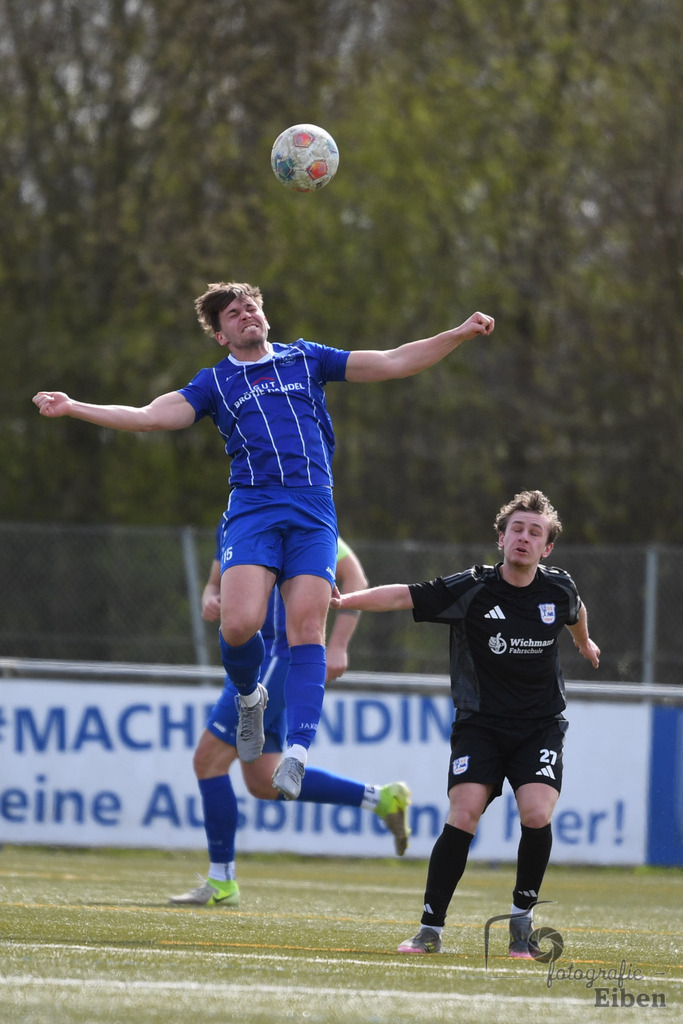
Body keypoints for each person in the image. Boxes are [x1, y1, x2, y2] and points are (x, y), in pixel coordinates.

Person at [33, 282, 494, 800]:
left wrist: (457, 334)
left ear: (265, 316)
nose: (246, 314)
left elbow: (392, 361)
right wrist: (74, 406)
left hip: (314, 509)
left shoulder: (306, 358)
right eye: (233, 313)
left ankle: (297, 752)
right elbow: (148, 417)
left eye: (251, 306)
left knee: (307, 630)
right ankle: (250, 696)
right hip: (254, 508)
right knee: (238, 625)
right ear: (221, 334)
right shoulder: (214, 383)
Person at [330, 489, 600, 957]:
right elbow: (403, 595)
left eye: (535, 532)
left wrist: (584, 641)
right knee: (464, 813)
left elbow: (575, 612)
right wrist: (344, 600)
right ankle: (429, 929)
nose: (524, 537)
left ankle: (521, 921)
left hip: (539, 726)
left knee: (537, 814)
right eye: (516, 529)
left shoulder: (559, 588)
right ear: (501, 539)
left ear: (547, 548)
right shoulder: (472, 588)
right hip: (481, 725)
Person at [170, 526, 411, 907]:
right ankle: (381, 799)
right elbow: (215, 583)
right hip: (249, 660)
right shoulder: (234, 518)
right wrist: (210, 598)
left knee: (208, 760)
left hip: (278, 659)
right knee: (264, 781)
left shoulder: (294, 515)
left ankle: (221, 881)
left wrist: (338, 645)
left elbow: (354, 576)